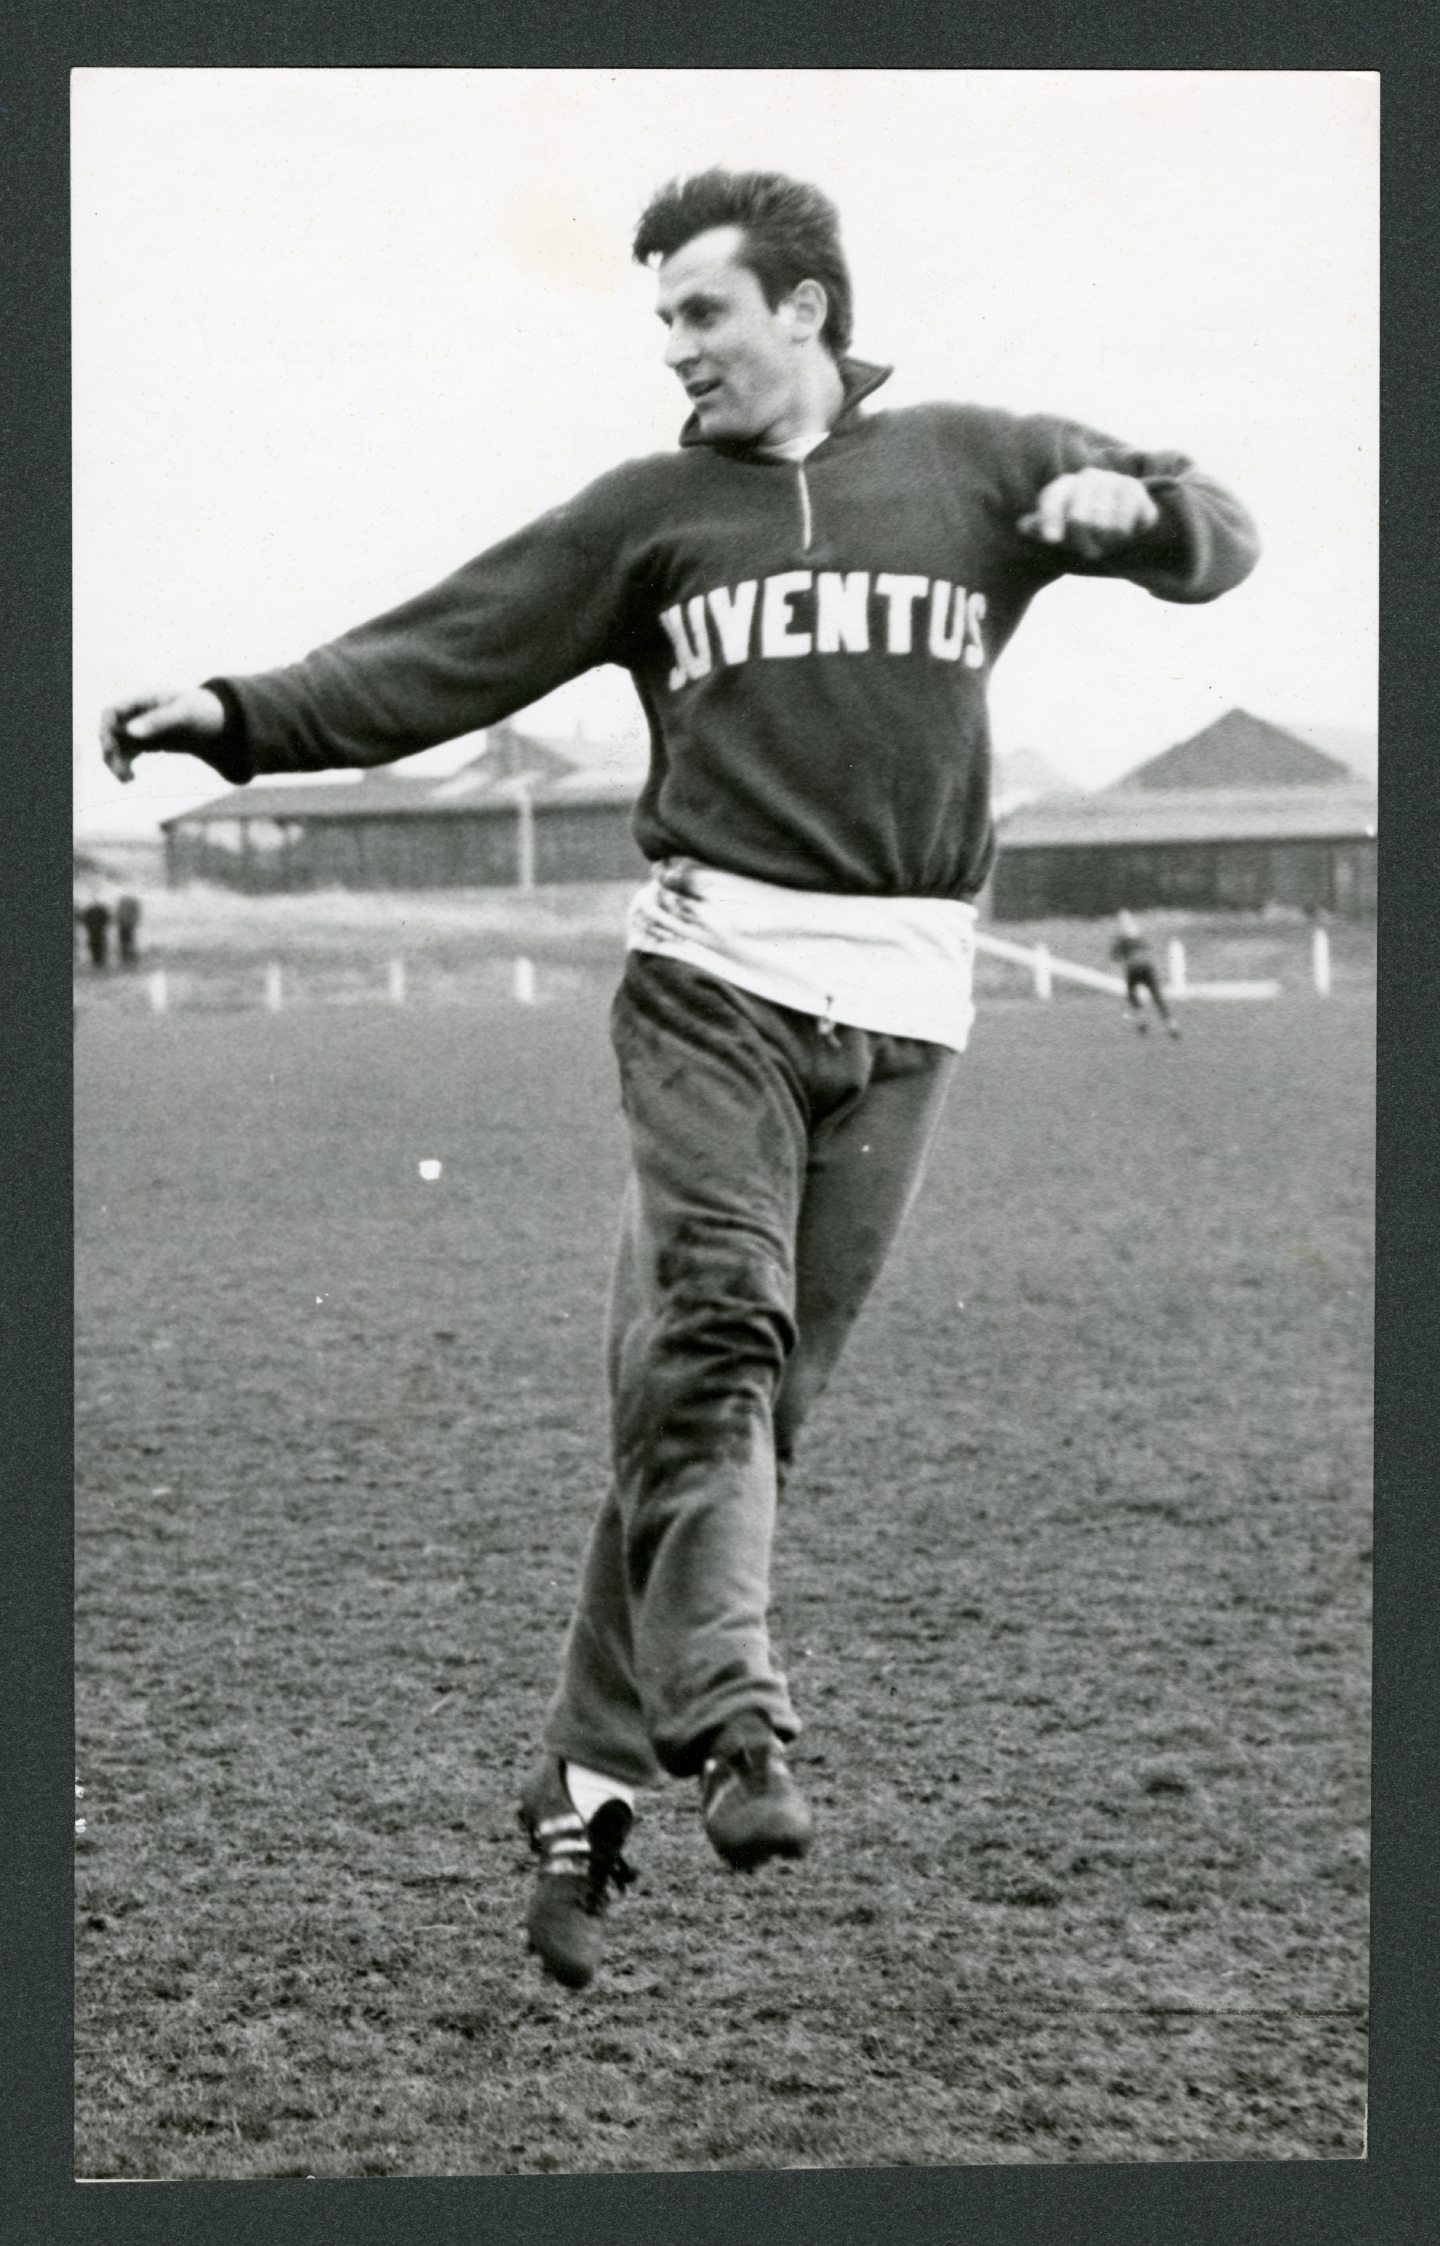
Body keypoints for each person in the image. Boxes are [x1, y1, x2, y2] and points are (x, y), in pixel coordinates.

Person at [101, 167, 1258, 1990]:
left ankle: (580, 1797)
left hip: (908, 1007)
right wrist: (240, 717)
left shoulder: (970, 460)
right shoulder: (652, 515)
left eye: (704, 313)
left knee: (726, 1417)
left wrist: (1151, 516)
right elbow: (448, 647)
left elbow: (1221, 534)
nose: (677, 351)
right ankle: (738, 1723)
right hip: (712, 981)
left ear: (805, 309)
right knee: (720, 1340)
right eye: (662, 321)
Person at [1109, 909, 1180, 1037]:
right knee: (1157, 997)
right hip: (1147, 968)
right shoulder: (1139, 933)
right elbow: (1148, 950)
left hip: (1133, 970)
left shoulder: (1121, 938)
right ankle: (1171, 1024)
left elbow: (1115, 957)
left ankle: (1142, 1021)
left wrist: (1120, 957)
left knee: (1132, 995)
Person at [80, 897, 112, 970]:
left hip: (98, 930)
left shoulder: (99, 910)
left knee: (100, 945)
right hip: (93, 931)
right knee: (94, 945)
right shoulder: (91, 910)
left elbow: (106, 919)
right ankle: (96, 959)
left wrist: (103, 926)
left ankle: (100, 960)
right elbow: (85, 919)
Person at [115, 893, 143, 967]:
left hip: (126, 924)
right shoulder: (131, 905)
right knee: (127, 941)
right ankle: (128, 956)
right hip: (127, 924)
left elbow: (119, 914)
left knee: (126, 941)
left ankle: (127, 957)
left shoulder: (124, 905)